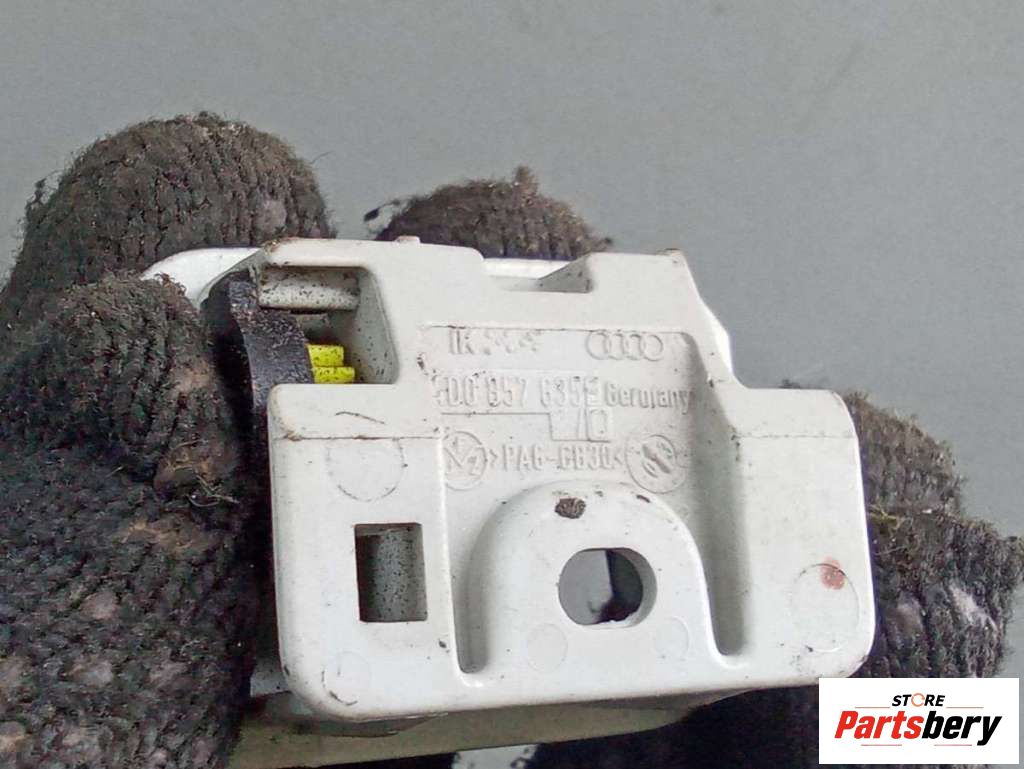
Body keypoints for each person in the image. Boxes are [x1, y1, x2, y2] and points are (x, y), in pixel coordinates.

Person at [1, 115, 1020, 769]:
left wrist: (952, 730)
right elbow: (952, 727)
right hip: (284, 634)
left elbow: (942, 726)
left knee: (919, 709)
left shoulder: (913, 711)